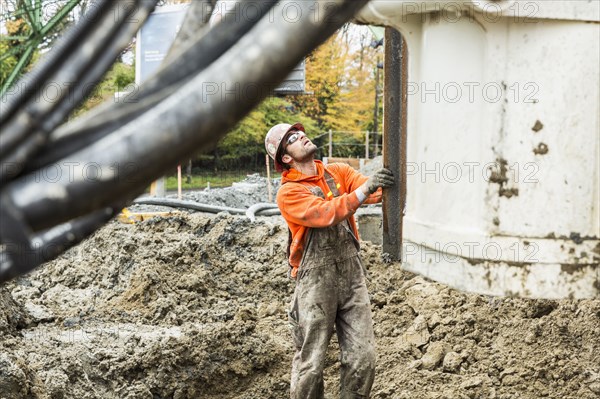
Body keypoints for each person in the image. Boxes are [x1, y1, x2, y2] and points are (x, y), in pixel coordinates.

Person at [265, 122, 395, 399]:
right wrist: (363, 191)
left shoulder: (337, 173)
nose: (302, 136)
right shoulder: (288, 193)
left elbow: (374, 192)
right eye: (292, 138)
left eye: (300, 133)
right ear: (286, 158)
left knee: (363, 357)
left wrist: (382, 183)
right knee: (311, 364)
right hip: (314, 282)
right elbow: (325, 213)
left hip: (351, 277)